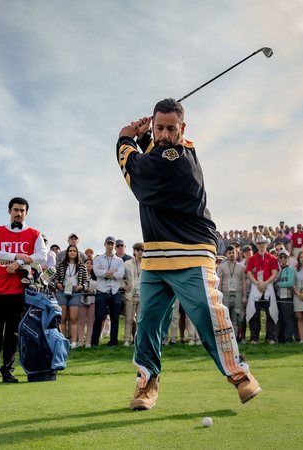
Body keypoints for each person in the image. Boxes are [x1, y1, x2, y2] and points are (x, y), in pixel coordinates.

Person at [117, 99, 260, 410]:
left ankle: (239, 374)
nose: (165, 134)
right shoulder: (160, 150)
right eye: (159, 128)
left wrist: (126, 139)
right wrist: (143, 139)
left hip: (190, 251)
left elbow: (140, 173)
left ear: (183, 129)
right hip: (156, 256)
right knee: (148, 325)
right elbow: (150, 156)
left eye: (171, 128)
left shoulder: (177, 157)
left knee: (209, 314)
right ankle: (147, 382)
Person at [0, 197, 48, 383]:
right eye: (15, 210)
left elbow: (42, 256)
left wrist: (18, 262)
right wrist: (17, 255)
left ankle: (8, 371)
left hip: (19, 291)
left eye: (22, 210)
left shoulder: (34, 234)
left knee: (13, 334)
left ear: (26, 213)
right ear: (9, 211)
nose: (19, 214)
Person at [245, 236, 279, 345]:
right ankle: (254, 337)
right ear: (257, 245)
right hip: (256, 287)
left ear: (266, 244)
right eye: (259, 243)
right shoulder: (252, 259)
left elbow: (274, 273)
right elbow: (249, 272)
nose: (261, 245)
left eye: (263, 243)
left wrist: (265, 283)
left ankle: (271, 337)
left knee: (270, 313)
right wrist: (257, 283)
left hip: (268, 286)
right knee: (255, 313)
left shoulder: (272, 258)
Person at [92, 237, 125, 347]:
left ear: (114, 246)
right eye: (108, 243)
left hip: (115, 291)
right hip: (102, 291)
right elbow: (97, 273)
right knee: (99, 317)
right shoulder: (98, 258)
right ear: (105, 244)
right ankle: (95, 342)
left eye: (112, 244)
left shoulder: (120, 261)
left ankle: (113, 342)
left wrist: (105, 273)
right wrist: (110, 272)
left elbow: (120, 275)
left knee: (115, 318)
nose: (110, 246)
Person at [53, 244, 88, 348]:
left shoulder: (82, 266)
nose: (72, 252)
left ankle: (73, 342)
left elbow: (86, 281)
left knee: (73, 319)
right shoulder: (61, 265)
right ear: (67, 252)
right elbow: (55, 278)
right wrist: (57, 284)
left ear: (77, 253)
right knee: (62, 318)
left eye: (74, 251)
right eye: (70, 251)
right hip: (62, 291)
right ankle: (62, 341)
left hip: (75, 292)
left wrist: (81, 286)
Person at [216, 245, 247, 338]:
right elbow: (219, 282)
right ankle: (226, 337)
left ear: (237, 254)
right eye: (229, 253)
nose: (231, 255)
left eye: (233, 252)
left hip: (237, 294)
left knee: (236, 318)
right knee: (225, 318)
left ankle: (235, 338)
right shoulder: (221, 267)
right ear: (226, 254)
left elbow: (244, 282)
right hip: (225, 294)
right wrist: (218, 296)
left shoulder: (242, 267)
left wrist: (244, 296)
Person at [122, 243, 143, 346]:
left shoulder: (147, 264)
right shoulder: (127, 263)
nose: (140, 252)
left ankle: (138, 341)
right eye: (137, 250)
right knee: (129, 319)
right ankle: (126, 340)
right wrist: (124, 285)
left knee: (140, 320)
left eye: (142, 250)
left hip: (143, 296)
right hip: (130, 295)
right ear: (134, 251)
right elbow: (120, 276)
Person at [274, 250, 296, 343]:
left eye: (285, 257)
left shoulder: (290, 269)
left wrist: (279, 284)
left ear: (288, 259)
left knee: (288, 318)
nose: (283, 259)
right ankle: (282, 338)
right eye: (281, 257)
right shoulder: (279, 270)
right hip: (279, 297)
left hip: (287, 297)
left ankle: (288, 338)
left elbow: (291, 283)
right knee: (281, 318)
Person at [76, 258, 97, 347]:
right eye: (87, 263)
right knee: (81, 321)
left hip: (92, 300)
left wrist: (93, 290)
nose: (89, 265)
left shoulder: (96, 276)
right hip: (82, 299)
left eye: (91, 263)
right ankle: (80, 341)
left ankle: (88, 341)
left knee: (90, 321)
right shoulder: (79, 275)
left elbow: (99, 287)